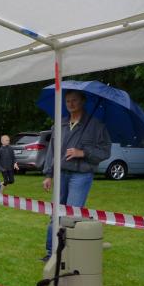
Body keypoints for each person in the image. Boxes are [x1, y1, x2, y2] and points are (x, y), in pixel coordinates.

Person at [42, 89, 111, 261]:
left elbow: (105, 151)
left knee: (71, 216)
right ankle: (51, 253)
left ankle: (66, 253)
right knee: (55, 214)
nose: (70, 104)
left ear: (83, 101)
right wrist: (49, 174)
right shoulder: (60, 124)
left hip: (81, 176)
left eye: (74, 100)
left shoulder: (96, 125)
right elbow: (52, 151)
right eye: (67, 101)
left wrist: (84, 152)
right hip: (60, 174)